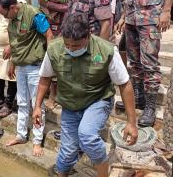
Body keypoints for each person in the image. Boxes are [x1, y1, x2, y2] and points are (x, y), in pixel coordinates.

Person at [33, 14, 138, 177]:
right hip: (70, 104)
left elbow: (124, 84)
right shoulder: (54, 49)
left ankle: (103, 173)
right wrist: (37, 106)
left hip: (98, 99)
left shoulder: (106, 50)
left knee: (87, 135)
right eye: (67, 45)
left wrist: (131, 122)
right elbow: (45, 77)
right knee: (68, 151)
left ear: (88, 37)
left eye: (75, 46)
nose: (70, 49)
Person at [0, 0, 53, 157]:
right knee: (21, 102)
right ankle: (21, 135)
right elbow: (15, 43)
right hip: (20, 66)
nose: (5, 18)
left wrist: (48, 64)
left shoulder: (33, 14)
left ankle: (37, 141)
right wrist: (13, 62)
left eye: (5, 14)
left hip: (35, 67)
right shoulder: (11, 21)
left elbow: (49, 35)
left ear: (13, 7)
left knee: (37, 104)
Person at [124, 0, 173, 127]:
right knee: (134, 61)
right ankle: (139, 99)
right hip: (132, 17)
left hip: (150, 17)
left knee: (149, 63)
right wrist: (123, 16)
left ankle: (150, 108)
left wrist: (167, 11)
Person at [26, 0, 70, 111]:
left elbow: (69, 7)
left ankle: (54, 96)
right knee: (46, 60)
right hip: (46, 26)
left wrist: (48, 3)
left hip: (62, 27)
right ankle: (47, 92)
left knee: (56, 60)